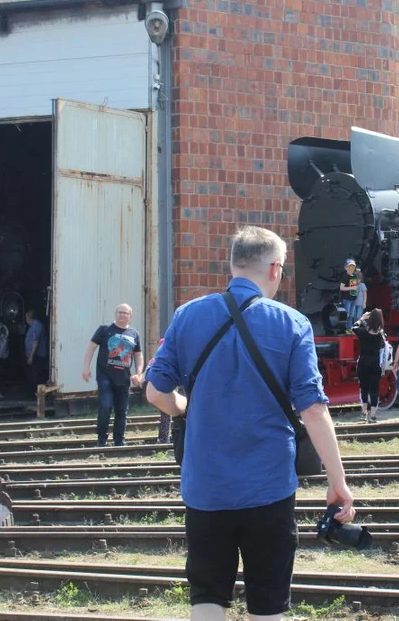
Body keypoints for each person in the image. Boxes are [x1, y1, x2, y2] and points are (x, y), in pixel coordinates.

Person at [146, 226, 354, 621]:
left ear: (232, 264)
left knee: (206, 599)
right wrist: (337, 482)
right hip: (268, 488)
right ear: (276, 269)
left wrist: (185, 407)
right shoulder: (292, 324)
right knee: (267, 603)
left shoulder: (187, 316)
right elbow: (312, 409)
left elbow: (156, 394)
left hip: (205, 488)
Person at [82, 304, 144, 447]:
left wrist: (139, 373)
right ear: (115, 314)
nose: (123, 315)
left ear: (131, 315)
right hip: (105, 376)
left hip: (123, 378)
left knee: (122, 410)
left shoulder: (134, 333)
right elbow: (91, 347)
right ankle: (101, 439)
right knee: (105, 406)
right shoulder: (104, 329)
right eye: (120, 312)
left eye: (126, 313)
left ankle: (119, 440)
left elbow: (138, 354)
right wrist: (86, 368)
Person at [352, 308, 387, 423]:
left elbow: (353, 328)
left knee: (364, 388)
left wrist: (362, 319)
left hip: (363, 362)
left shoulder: (363, 332)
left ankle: (363, 413)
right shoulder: (381, 334)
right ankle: (373, 416)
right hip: (375, 363)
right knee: (374, 390)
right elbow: (383, 346)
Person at [144, 337, 173, 444]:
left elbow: (147, 372)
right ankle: (165, 438)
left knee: (167, 414)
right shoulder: (159, 358)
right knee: (167, 414)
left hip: (166, 389)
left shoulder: (157, 358)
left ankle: (164, 438)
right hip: (166, 389)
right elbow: (147, 371)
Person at [24, 310, 49, 388]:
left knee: (36, 375)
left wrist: (31, 356)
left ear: (28, 318)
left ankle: (36, 394)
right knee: (34, 374)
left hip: (37, 355)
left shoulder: (37, 326)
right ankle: (34, 393)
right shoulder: (33, 326)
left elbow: (36, 342)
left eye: (26, 317)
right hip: (35, 355)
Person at [339, 259, 359, 329]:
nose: (352, 268)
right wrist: (351, 288)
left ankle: (349, 328)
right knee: (346, 315)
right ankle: (344, 328)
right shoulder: (345, 276)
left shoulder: (355, 276)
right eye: (350, 266)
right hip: (347, 299)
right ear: (346, 268)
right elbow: (341, 288)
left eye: (353, 266)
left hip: (353, 298)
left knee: (351, 315)